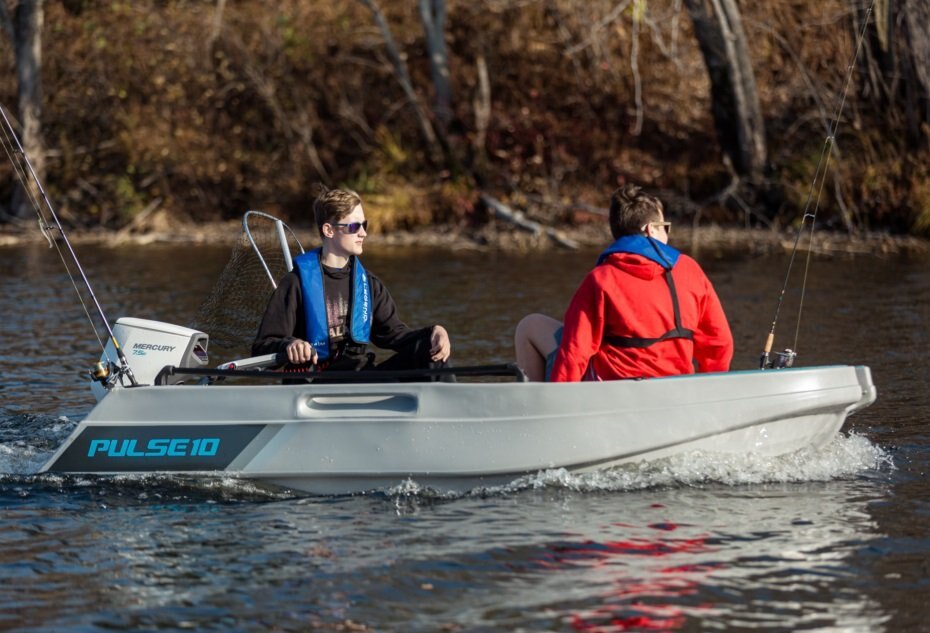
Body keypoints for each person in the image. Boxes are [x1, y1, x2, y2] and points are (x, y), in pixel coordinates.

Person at [514, 183, 733, 381]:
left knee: (530, 325)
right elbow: (719, 342)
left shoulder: (600, 278)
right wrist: (708, 388)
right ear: (650, 229)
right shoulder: (690, 269)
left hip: (613, 387)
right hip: (674, 387)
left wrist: (558, 394)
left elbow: (575, 350)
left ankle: (533, 407)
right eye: (664, 226)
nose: (667, 233)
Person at [252, 186, 452, 377]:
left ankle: (454, 407)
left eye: (364, 225)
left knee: (430, 349)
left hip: (360, 376)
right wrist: (289, 345)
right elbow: (262, 346)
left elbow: (396, 336)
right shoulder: (295, 283)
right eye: (355, 226)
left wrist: (435, 331)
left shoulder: (370, 284)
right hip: (315, 381)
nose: (363, 233)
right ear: (329, 230)